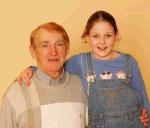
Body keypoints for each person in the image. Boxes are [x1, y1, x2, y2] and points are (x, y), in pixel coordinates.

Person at [16, 11, 149, 127]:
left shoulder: (129, 62)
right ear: (87, 37)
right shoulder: (78, 62)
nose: (102, 42)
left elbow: (144, 102)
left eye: (108, 35)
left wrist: (146, 118)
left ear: (116, 35)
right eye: (95, 36)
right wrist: (32, 69)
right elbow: (53, 70)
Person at [0, 22, 88, 128]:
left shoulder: (81, 86)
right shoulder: (15, 94)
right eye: (45, 45)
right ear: (33, 51)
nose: (53, 52)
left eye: (59, 44)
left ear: (67, 48)